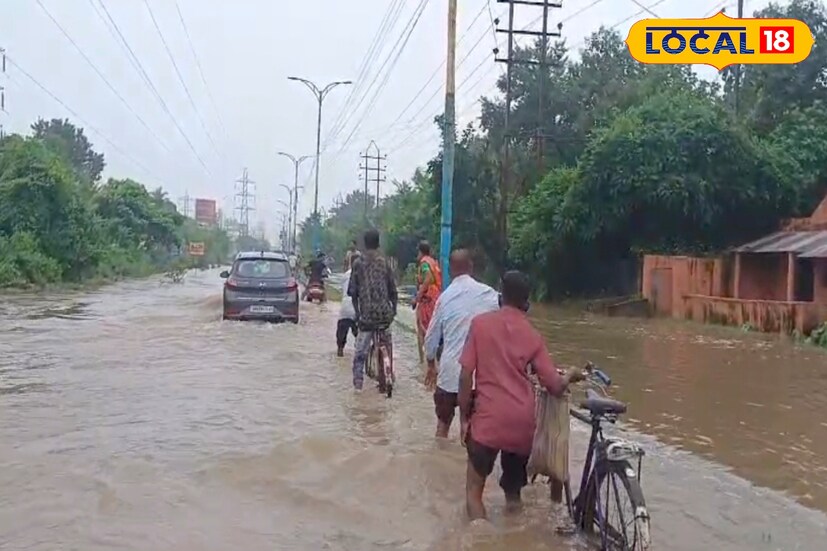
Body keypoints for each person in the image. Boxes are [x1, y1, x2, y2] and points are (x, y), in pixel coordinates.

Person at [458, 270, 586, 521]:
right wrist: (570, 374)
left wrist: (463, 418)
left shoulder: (480, 325)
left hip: (487, 421)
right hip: (521, 425)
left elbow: (465, 375)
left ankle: (478, 539)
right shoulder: (533, 336)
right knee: (514, 497)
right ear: (526, 303)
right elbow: (554, 385)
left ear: (500, 296)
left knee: (474, 493)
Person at [423, 249, 499, 438]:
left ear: (449, 270)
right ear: (471, 268)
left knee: (442, 427)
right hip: (477, 378)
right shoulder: (489, 294)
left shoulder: (444, 298)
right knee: (473, 432)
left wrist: (431, 364)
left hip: (449, 375)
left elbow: (430, 339)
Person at [347, 228, 398, 391]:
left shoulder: (358, 264)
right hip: (385, 316)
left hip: (367, 317)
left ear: (364, 244)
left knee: (359, 355)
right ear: (378, 243)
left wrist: (358, 313)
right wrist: (394, 310)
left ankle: (358, 386)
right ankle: (389, 372)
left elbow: (353, 293)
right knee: (387, 343)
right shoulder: (385, 263)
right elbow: (393, 292)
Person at [412, 241, 442, 346]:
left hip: (427, 300)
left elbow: (428, 277)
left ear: (420, 252)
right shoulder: (433, 262)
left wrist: (417, 297)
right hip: (436, 297)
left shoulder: (424, 263)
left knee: (422, 328)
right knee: (431, 327)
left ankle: (424, 360)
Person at [336, 251, 361, 357]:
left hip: (345, 308)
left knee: (342, 332)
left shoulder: (346, 275)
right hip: (358, 309)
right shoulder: (362, 274)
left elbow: (342, 290)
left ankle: (340, 350)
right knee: (360, 336)